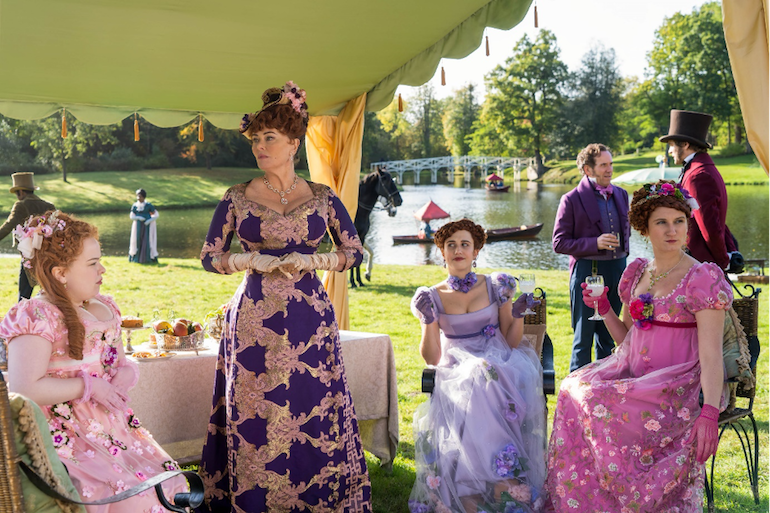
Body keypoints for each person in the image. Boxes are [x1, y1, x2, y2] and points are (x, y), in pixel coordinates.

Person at [196, 81, 371, 512]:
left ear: (294, 143)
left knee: (311, 402)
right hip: (254, 319)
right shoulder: (237, 197)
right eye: (255, 139)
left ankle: (318, 499)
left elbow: (354, 251)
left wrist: (316, 262)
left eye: (268, 138)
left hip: (310, 320)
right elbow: (208, 255)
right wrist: (247, 263)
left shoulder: (322, 197)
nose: (259, 146)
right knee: (257, 411)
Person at [544, 180, 731, 512]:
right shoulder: (639, 272)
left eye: (679, 221)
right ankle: (588, 502)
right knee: (572, 388)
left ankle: (629, 498)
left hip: (674, 384)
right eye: (661, 222)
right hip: (633, 372)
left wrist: (710, 412)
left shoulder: (701, 278)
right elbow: (627, 339)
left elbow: (711, 354)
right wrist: (602, 310)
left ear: (688, 226)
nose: (672, 230)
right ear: (645, 227)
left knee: (598, 402)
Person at [0, 211, 188, 511]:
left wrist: (125, 374)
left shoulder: (104, 306)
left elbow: (119, 362)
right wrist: (90, 387)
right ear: (61, 273)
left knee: (169, 481)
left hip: (112, 427)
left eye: (100, 260)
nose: (102, 270)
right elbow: (25, 389)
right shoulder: (37, 316)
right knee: (125, 496)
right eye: (92, 264)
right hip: (65, 432)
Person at [409, 218, 546, 513]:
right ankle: (495, 482)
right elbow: (432, 358)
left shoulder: (497, 284)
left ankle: (472, 487)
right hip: (455, 365)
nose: (458, 250)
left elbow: (510, 341)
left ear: (476, 251)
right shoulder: (430, 296)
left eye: (465, 244)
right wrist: (428, 321)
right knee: (475, 375)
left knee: (482, 372)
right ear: (441, 252)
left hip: (498, 360)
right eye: (451, 245)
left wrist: (519, 314)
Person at [552, 143, 630, 371]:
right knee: (582, 340)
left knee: (610, 337)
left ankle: (605, 393)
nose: (609, 170)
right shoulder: (571, 199)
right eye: (603, 165)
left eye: (611, 164)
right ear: (588, 170)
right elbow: (559, 242)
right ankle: (574, 397)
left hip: (618, 271)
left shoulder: (622, 194)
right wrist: (594, 243)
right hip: (588, 272)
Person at [660, 109, 739, 271]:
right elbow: (716, 220)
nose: (670, 151)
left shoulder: (698, 176)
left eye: (672, 145)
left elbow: (710, 226)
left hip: (701, 266)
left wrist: (724, 260)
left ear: (685, 144)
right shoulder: (700, 169)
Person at [0, 172, 55, 300]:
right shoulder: (49, 205)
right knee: (49, 291)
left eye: (16, 193)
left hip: (29, 255)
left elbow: (8, 226)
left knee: (24, 294)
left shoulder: (21, 205)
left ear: (21, 192)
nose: (17, 196)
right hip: (48, 254)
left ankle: (22, 318)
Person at [128, 189, 159, 264]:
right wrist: (138, 218)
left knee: (147, 240)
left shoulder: (148, 205)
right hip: (137, 226)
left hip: (147, 226)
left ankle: (148, 258)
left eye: (140, 196)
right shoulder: (135, 205)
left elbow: (156, 215)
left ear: (144, 197)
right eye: (137, 196)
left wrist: (149, 221)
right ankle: (136, 258)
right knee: (137, 240)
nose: (138, 198)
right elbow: (131, 216)